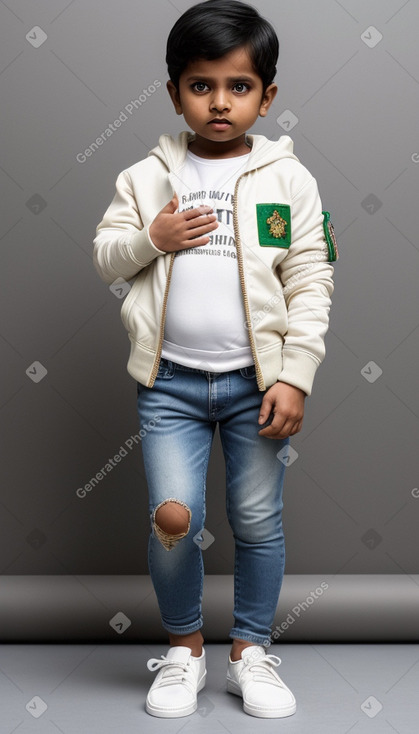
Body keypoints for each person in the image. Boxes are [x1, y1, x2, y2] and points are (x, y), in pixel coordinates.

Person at [93, 0, 337, 719]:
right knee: (174, 517)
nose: (220, 102)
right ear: (173, 93)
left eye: (238, 86)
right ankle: (184, 651)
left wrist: (295, 374)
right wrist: (154, 239)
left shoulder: (288, 180)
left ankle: (251, 653)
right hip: (168, 385)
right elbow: (107, 257)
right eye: (201, 85)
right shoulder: (145, 178)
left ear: (266, 96)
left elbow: (312, 278)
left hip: (254, 385)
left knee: (258, 520)